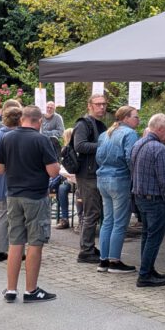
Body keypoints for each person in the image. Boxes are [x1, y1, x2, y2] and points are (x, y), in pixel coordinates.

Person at [0, 105, 60, 303]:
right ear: (39, 121)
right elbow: (53, 172)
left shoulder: (6, 137)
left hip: (13, 195)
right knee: (35, 243)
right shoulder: (42, 140)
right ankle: (31, 290)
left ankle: (11, 289)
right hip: (35, 197)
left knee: (15, 242)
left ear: (22, 119)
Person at [130, 114, 165, 287]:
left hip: (140, 196)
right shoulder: (159, 148)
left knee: (147, 236)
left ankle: (148, 269)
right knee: (153, 238)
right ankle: (145, 275)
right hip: (155, 199)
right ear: (160, 129)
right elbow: (164, 180)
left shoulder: (138, 144)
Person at [95, 106, 139, 274]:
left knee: (108, 221)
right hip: (120, 179)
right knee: (120, 222)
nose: (138, 120)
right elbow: (131, 158)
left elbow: (98, 157)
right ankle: (115, 261)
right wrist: (134, 176)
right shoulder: (129, 134)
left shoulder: (105, 134)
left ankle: (103, 260)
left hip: (103, 178)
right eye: (135, 117)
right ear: (126, 118)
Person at [74, 94, 108, 264]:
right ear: (90, 106)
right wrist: (104, 145)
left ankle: (88, 247)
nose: (101, 107)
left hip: (97, 172)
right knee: (91, 212)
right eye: (98, 104)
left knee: (95, 212)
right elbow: (79, 145)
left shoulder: (100, 124)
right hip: (87, 174)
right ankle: (86, 251)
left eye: (104, 104)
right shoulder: (83, 123)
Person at [0, 105, 22, 262]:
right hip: (18, 181)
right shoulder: (22, 135)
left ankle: (0, 250)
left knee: (1, 215)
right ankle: (17, 250)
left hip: (1, 181)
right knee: (17, 217)